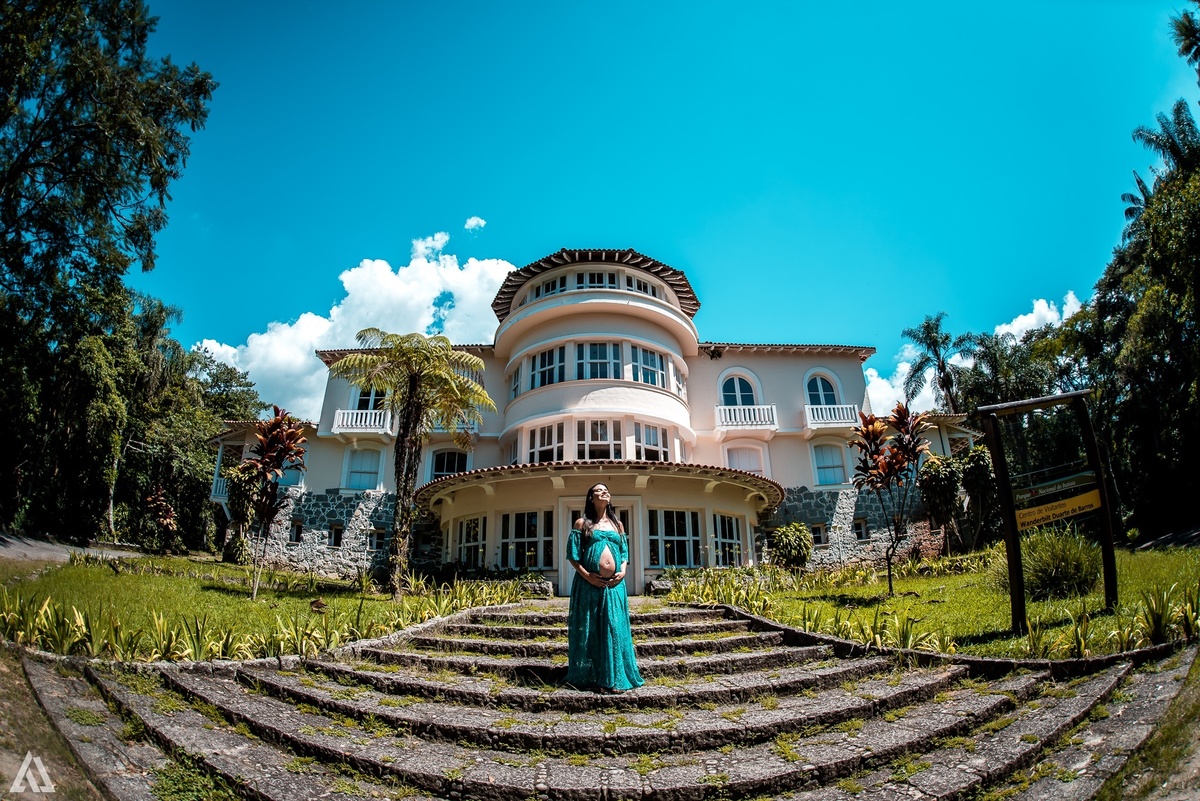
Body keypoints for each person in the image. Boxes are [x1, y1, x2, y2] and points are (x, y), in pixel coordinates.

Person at [564, 483, 644, 693]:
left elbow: (624, 553)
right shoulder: (582, 523)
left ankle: (615, 677)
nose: (605, 492)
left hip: (615, 585)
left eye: (607, 489)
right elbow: (573, 555)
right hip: (589, 584)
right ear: (591, 497)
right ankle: (592, 675)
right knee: (591, 628)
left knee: (614, 626)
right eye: (599, 490)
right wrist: (588, 576)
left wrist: (624, 570)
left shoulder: (618, 525)